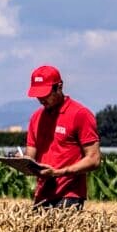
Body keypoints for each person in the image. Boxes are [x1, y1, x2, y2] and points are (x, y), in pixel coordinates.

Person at [23, 65, 101, 210]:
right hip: (42, 195)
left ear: (59, 87)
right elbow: (30, 156)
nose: (41, 99)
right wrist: (20, 161)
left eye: (45, 94)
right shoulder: (36, 118)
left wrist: (58, 173)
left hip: (69, 196)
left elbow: (94, 159)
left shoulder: (80, 114)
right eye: (37, 95)